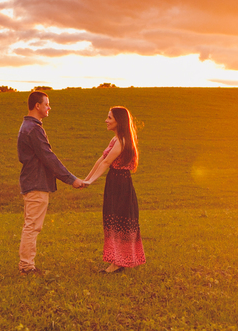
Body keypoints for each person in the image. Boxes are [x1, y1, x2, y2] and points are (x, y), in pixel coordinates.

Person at [18, 91, 85, 274]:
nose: (49, 107)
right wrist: (71, 179)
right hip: (36, 182)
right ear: (37, 106)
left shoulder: (28, 126)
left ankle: (26, 264)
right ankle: (27, 266)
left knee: (31, 224)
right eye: (46, 104)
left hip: (32, 180)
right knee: (32, 226)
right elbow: (48, 157)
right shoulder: (34, 129)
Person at [82, 106, 145, 273]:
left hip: (121, 184)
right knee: (113, 220)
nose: (106, 120)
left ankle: (118, 263)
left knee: (118, 221)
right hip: (114, 182)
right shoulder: (115, 139)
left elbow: (106, 163)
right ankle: (119, 260)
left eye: (109, 118)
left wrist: (91, 181)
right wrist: (86, 179)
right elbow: (100, 160)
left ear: (119, 121)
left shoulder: (122, 141)